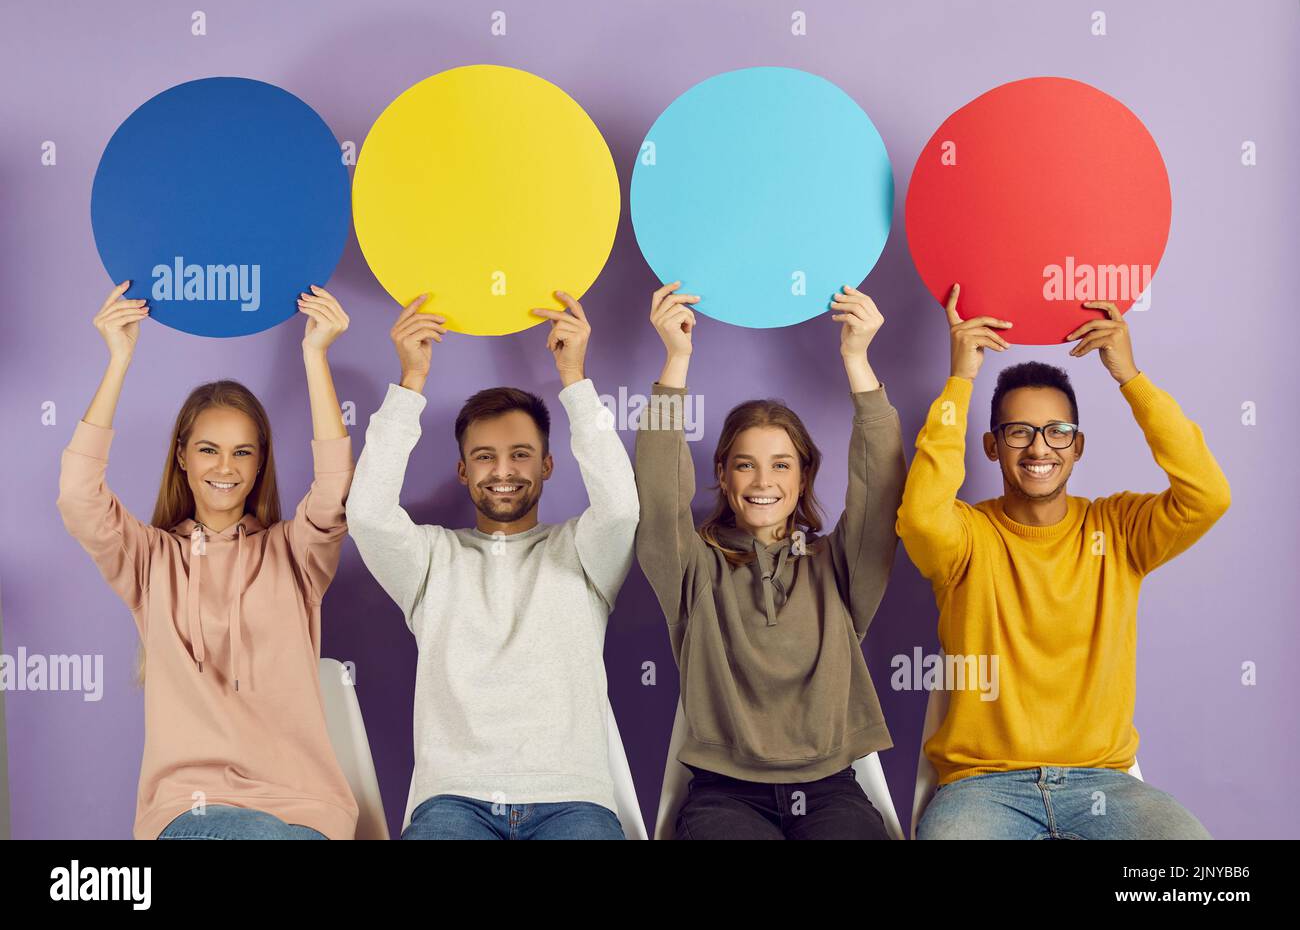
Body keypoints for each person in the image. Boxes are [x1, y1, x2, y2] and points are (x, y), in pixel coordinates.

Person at [898, 285, 1230, 840]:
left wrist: (1131, 377)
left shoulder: (1120, 530)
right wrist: (961, 379)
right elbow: (920, 518)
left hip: (1103, 783)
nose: (1038, 448)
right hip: (984, 788)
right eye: (1018, 432)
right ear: (990, 446)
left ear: (1078, 446)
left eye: (1057, 432)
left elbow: (1208, 495)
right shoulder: (965, 537)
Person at [57, 281, 360, 840]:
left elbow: (337, 491)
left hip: (304, 812)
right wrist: (119, 358)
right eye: (208, 449)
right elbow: (79, 497)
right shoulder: (151, 560)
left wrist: (315, 355)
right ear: (182, 457)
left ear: (260, 462)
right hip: (188, 812)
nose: (227, 466)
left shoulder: (294, 554)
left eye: (243, 451)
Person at [347, 291, 639, 840]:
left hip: (571, 802)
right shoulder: (431, 559)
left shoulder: (583, 551)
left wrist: (574, 378)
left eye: (520, 454)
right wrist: (410, 381)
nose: (503, 470)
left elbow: (621, 507)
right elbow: (366, 515)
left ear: (549, 464)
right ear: (463, 470)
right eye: (485, 456)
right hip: (454, 803)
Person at [635, 281, 906, 840]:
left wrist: (858, 360)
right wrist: (675, 361)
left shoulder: (835, 565)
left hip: (832, 789)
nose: (763, 481)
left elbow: (880, 491)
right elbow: (659, 498)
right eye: (745, 465)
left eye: (781, 465)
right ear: (723, 475)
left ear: (803, 475)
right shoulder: (693, 567)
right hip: (723, 796)